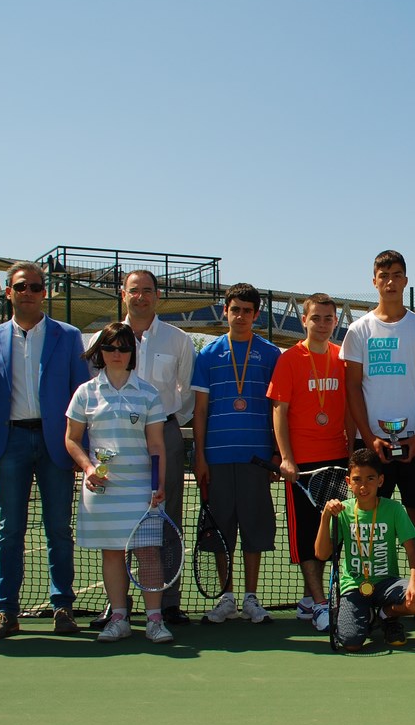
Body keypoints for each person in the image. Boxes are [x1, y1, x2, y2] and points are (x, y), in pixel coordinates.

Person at [0, 262, 91, 639]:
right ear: (9, 292)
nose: (29, 292)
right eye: (21, 286)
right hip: (9, 442)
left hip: (56, 444)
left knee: (58, 529)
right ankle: (5, 611)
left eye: (36, 287)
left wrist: (81, 449)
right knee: (9, 530)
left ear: (45, 293)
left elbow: (81, 394)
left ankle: (63, 607)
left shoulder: (68, 336)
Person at [85, 269, 197, 628]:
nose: (141, 297)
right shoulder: (104, 337)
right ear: (123, 294)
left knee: (166, 519)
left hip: (164, 435)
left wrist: (164, 422)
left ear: (157, 295)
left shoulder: (178, 339)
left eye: (147, 290)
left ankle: (167, 602)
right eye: (134, 290)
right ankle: (118, 604)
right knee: (116, 526)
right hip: (115, 443)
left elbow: (187, 393)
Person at [65, 323, 171, 643]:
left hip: (141, 489)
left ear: (132, 353)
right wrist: (88, 468)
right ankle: (119, 618)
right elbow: (72, 439)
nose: (117, 354)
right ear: (100, 352)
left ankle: (154, 620)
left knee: (148, 553)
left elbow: (156, 444)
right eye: (110, 348)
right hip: (103, 489)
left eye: (124, 348)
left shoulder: (149, 393)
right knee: (111, 553)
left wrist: (158, 484)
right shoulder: (85, 393)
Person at [192, 283, 282, 625]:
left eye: (247, 311)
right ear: (225, 311)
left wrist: (276, 453)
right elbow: (201, 410)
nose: (240, 316)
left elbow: (277, 409)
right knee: (221, 531)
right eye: (235, 310)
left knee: (254, 529)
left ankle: (251, 598)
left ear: (256, 314)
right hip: (216, 457)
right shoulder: (208, 354)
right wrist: (199, 456)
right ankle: (226, 597)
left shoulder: (271, 354)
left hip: (256, 458)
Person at [341, 250, 415, 542]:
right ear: (374, 281)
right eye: (383, 276)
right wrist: (369, 437)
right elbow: (352, 388)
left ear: (405, 281)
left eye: (397, 275)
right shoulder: (358, 330)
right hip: (372, 443)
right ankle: (371, 573)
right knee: (369, 516)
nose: (390, 282)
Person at [268, 292, 352, 632]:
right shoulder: (289, 359)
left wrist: (350, 453)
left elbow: (350, 408)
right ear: (304, 320)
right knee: (306, 536)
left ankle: (310, 600)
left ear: (336, 321)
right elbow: (279, 411)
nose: (322, 324)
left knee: (333, 533)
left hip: (337, 460)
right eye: (315, 318)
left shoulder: (342, 357)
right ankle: (319, 603)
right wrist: (287, 458)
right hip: (303, 464)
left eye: (328, 318)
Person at [314, 449, 415, 649]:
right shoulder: (343, 512)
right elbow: (321, 554)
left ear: (380, 480)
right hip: (354, 585)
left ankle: (386, 614)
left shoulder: (394, 509)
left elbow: (411, 549)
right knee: (351, 643)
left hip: (386, 583)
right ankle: (370, 615)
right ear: (348, 482)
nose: (363, 486)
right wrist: (325, 516)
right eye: (357, 480)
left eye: (370, 479)